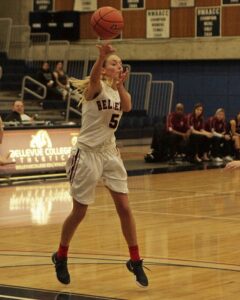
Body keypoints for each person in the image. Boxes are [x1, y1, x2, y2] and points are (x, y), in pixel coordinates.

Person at [51, 43, 149, 288]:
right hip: (87, 154)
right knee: (80, 211)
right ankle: (61, 255)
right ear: (104, 70)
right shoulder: (95, 88)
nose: (118, 65)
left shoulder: (117, 92)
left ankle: (135, 260)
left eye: (119, 62)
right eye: (113, 63)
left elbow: (127, 107)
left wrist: (121, 84)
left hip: (109, 153)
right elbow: (94, 76)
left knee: (125, 208)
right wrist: (100, 56)